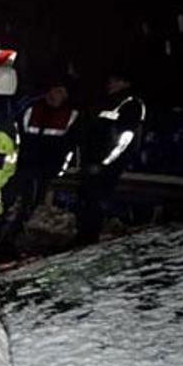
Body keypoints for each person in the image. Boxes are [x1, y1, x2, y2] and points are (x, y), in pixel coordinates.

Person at [0, 80, 80, 245]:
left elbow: (71, 145)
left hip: (47, 167)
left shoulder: (71, 115)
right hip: (24, 163)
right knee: (10, 195)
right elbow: (17, 133)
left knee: (31, 201)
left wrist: (60, 168)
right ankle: (4, 229)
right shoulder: (32, 108)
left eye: (61, 92)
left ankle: (18, 232)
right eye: (55, 90)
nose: (57, 95)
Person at [74, 71, 145, 245]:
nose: (110, 84)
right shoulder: (104, 102)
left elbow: (125, 139)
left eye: (115, 81)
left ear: (125, 83)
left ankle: (89, 237)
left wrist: (105, 163)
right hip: (92, 162)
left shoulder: (131, 104)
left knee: (95, 201)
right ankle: (83, 236)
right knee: (85, 199)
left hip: (108, 166)